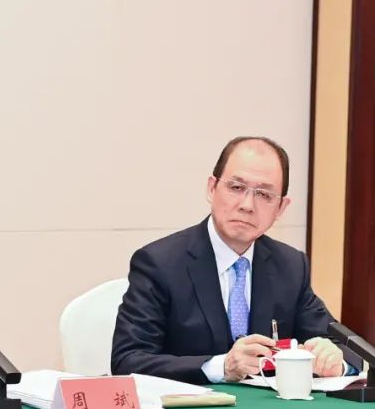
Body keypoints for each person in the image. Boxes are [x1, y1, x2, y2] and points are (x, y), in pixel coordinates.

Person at [111, 136, 352, 384]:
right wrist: (221, 366)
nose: (247, 205)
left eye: (264, 194)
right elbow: (128, 360)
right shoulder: (160, 263)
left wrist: (335, 360)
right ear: (211, 188)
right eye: (236, 187)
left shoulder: (291, 266)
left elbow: (346, 348)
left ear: (280, 208)